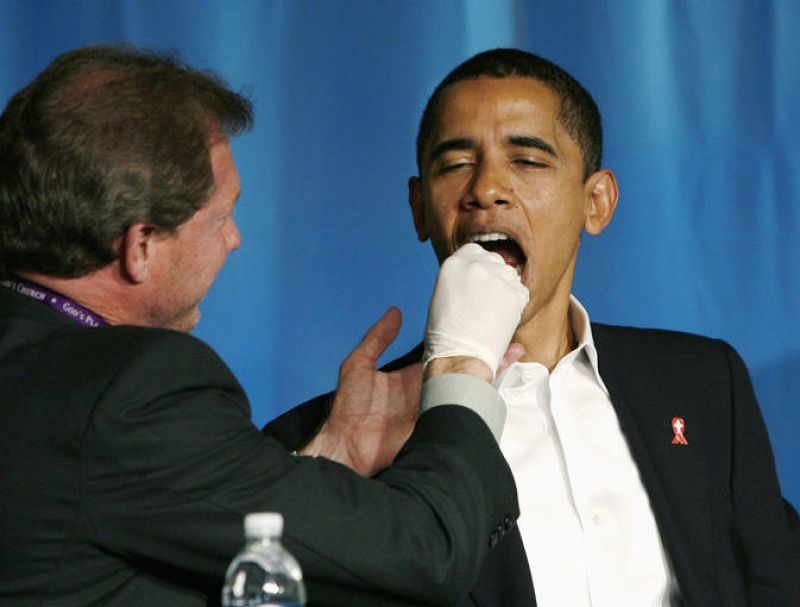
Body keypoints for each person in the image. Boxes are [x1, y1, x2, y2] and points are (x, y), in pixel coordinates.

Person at [0, 45, 532, 607]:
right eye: (222, 217)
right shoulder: (128, 394)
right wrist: (462, 369)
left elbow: (157, 512)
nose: (234, 240)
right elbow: (426, 553)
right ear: (142, 246)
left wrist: (334, 454)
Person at [265, 49, 800, 606]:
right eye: (455, 164)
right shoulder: (334, 442)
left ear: (596, 202)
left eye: (526, 160)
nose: (485, 188)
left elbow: (777, 582)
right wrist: (330, 459)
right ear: (419, 208)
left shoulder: (702, 382)